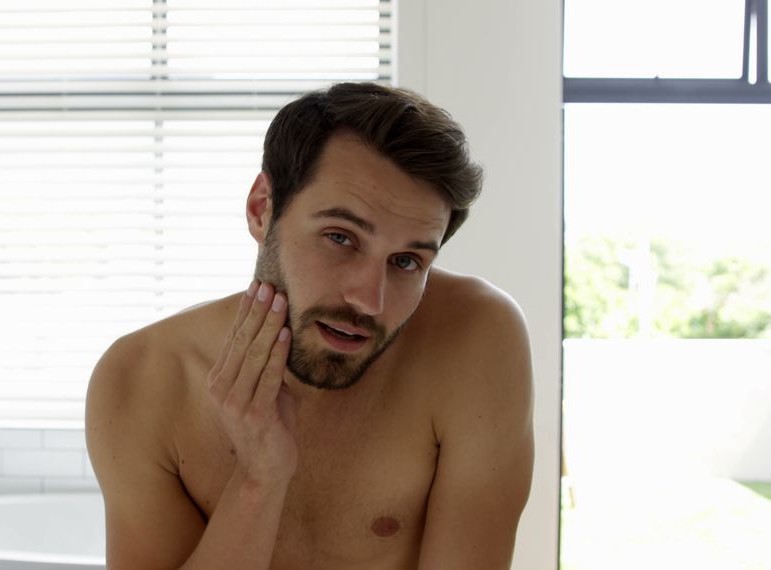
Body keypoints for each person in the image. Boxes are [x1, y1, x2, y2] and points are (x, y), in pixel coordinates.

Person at [85, 82, 535, 569]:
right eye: (340, 237)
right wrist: (260, 479)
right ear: (262, 210)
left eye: (406, 261)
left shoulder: (476, 342)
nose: (368, 299)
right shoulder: (140, 383)